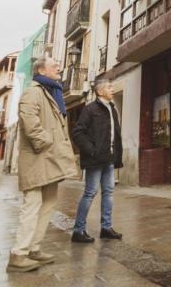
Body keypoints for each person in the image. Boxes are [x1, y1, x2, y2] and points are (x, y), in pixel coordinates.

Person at [7, 57, 79, 273]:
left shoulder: (51, 92)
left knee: (48, 202)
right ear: (41, 69)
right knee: (32, 204)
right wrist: (45, 142)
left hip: (49, 159)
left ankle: (33, 248)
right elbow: (29, 119)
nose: (59, 67)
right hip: (38, 158)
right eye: (54, 65)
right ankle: (18, 254)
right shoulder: (33, 91)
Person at [70, 78, 123, 243]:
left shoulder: (112, 109)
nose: (112, 89)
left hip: (109, 158)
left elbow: (114, 135)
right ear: (100, 91)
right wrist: (92, 150)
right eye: (109, 87)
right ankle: (78, 231)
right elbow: (78, 132)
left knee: (108, 192)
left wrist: (116, 155)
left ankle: (106, 228)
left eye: (112, 87)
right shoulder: (90, 109)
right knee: (90, 192)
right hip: (95, 159)